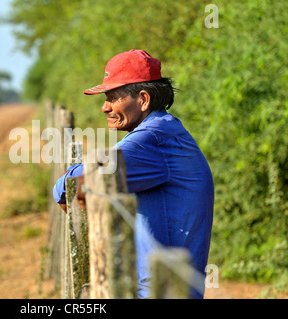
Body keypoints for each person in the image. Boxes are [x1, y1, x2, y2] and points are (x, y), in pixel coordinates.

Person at [52, 49, 214, 299]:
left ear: (143, 99)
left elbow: (70, 185)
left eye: (113, 98)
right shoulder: (165, 131)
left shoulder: (151, 140)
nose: (105, 108)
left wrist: (71, 174)